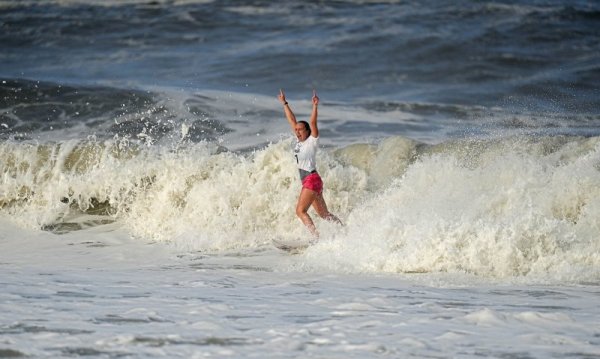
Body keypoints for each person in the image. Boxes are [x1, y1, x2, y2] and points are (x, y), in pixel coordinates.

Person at [278, 88, 343, 238]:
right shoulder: (299, 141)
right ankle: (344, 232)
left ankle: (315, 237)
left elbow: (313, 122)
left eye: (301, 129)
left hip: (311, 180)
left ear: (307, 131)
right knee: (324, 214)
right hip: (313, 181)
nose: (298, 131)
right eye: (296, 130)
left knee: (300, 211)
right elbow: (292, 120)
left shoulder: (311, 141)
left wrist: (315, 106)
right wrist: (284, 103)